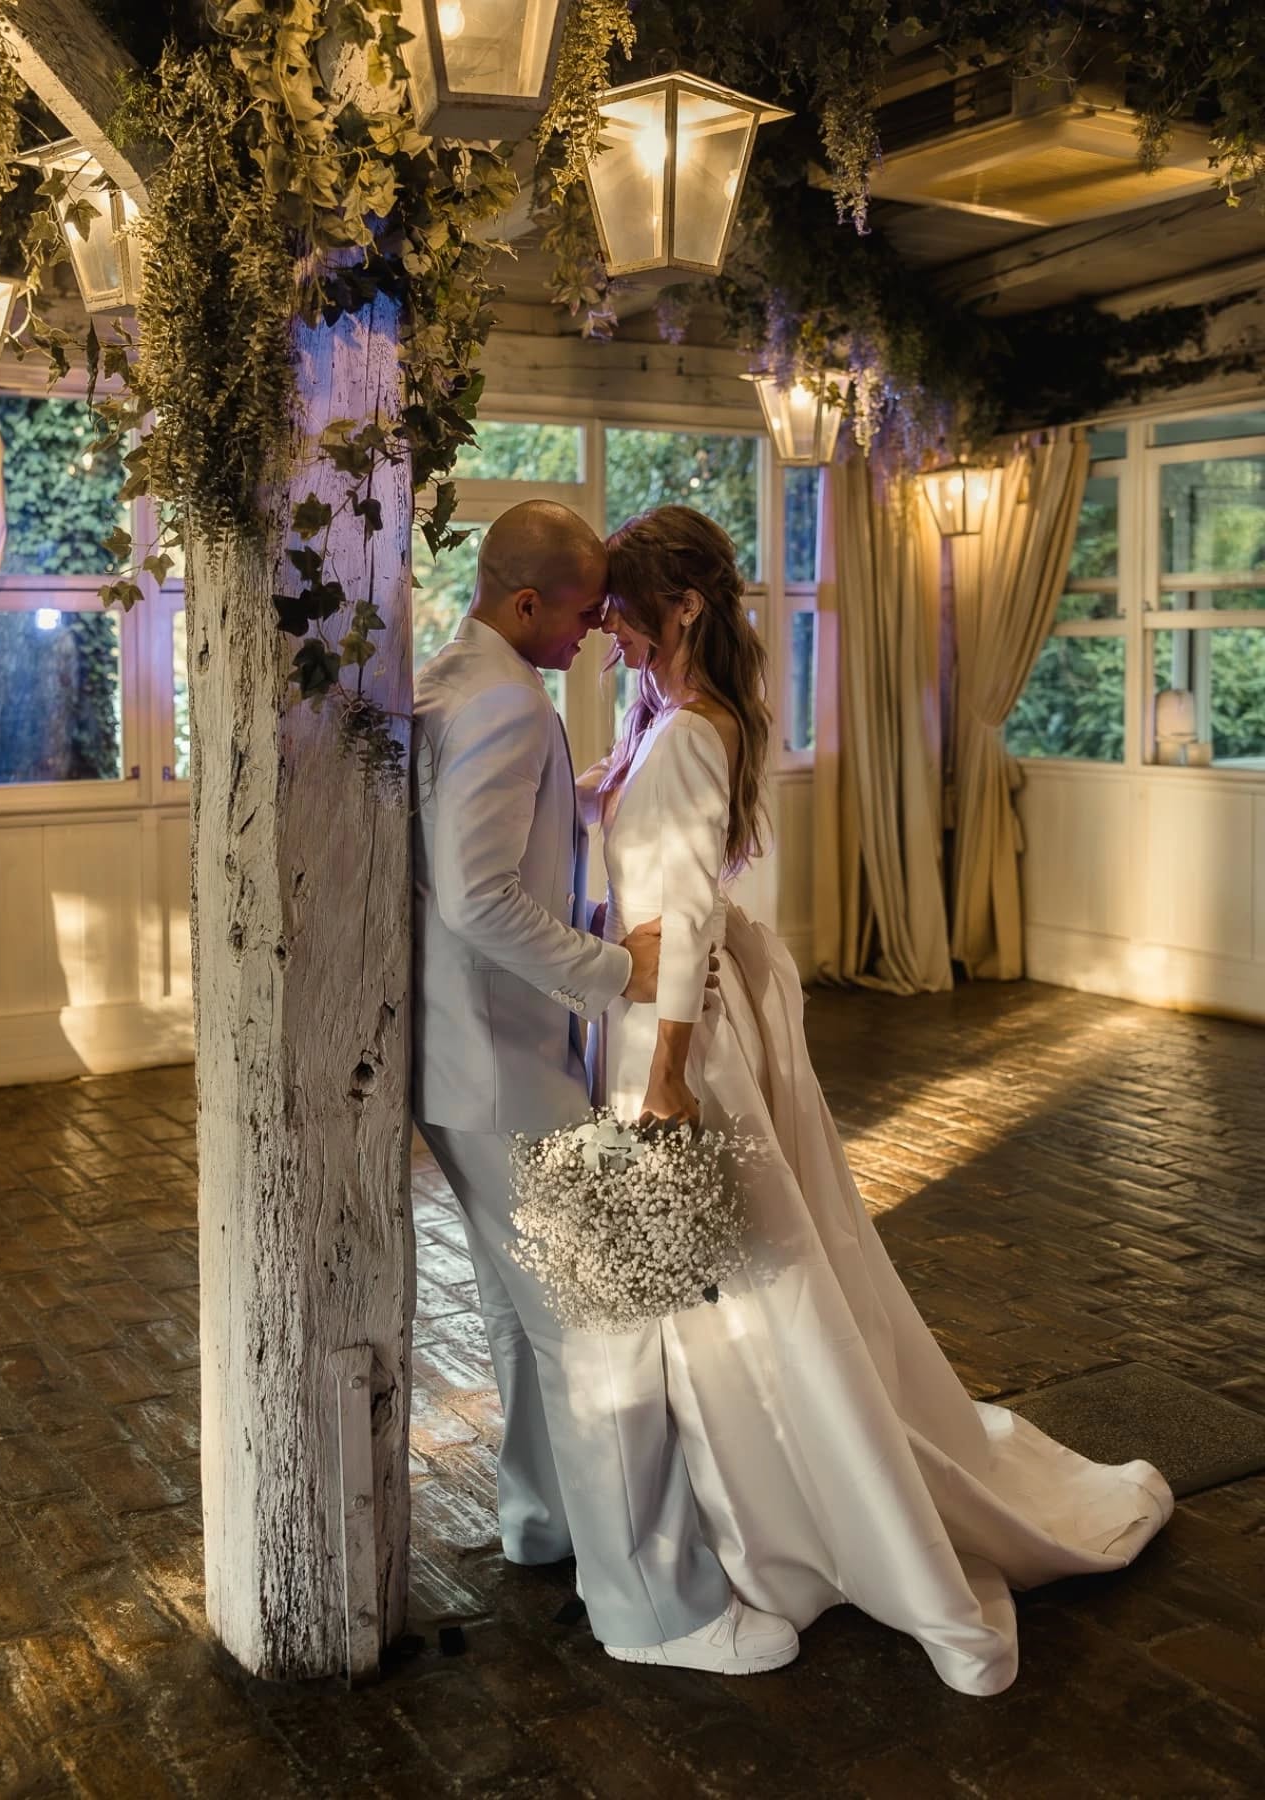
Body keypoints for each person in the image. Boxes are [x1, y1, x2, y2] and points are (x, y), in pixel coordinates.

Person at [581, 502, 1173, 1696]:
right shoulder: (664, 718)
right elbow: (631, 822)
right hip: (646, 1011)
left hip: (677, 1037)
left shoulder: (696, 733)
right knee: (707, 1285)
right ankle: (742, 1498)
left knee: (745, 1279)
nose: (611, 639)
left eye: (625, 618)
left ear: (682, 606)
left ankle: (820, 1512)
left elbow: (690, 915)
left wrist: (664, 1079)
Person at [411, 499, 799, 1672]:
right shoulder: (505, 706)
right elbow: (473, 897)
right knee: (602, 1327)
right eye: (584, 614)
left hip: (458, 1061)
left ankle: (543, 1523)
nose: (596, 633)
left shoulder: (446, 675)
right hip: (505, 1058)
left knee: (525, 1321)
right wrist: (607, 970)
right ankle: (659, 1610)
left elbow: (503, 856)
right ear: (527, 603)